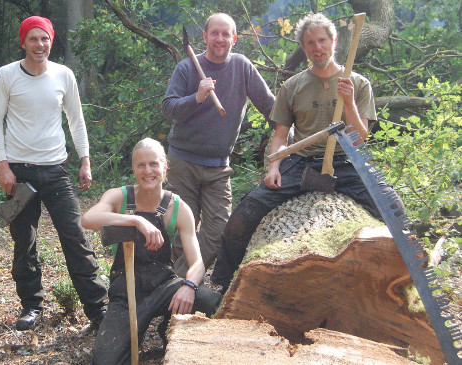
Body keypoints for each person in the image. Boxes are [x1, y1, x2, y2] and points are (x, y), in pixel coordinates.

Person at [210, 13, 405, 291]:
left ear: (334, 41)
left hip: (349, 162)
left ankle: (409, 281)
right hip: (301, 162)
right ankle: (224, 286)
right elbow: (279, 136)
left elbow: (360, 139)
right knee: (243, 214)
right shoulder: (292, 86)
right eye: (310, 42)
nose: (317, 48)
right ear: (303, 48)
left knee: (394, 208)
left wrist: (348, 102)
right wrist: (274, 167)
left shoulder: (358, 84)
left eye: (322, 40)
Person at [0, 15, 107, 330]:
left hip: (55, 170)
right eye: (33, 39)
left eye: (45, 39)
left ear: (51, 41)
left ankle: (98, 309)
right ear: (23, 42)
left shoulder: (63, 75)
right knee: (24, 242)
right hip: (19, 175)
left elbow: (76, 120)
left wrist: (85, 159)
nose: (40, 45)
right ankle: (31, 306)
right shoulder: (6, 76)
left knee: (75, 237)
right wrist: (2, 165)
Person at [82, 138, 221, 364]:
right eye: (141, 165)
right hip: (126, 291)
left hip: (163, 286)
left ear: (165, 166)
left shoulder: (178, 207)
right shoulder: (119, 196)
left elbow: (197, 264)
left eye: (154, 164)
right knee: (106, 361)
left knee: (209, 301)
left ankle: (170, 328)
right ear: (134, 168)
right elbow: (88, 219)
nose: (148, 171)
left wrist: (190, 286)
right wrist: (135, 220)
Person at [162, 13, 275, 277]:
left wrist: (291, 136)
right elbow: (168, 108)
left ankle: (171, 287)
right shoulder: (188, 68)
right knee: (181, 234)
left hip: (218, 168)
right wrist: (197, 97)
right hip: (183, 163)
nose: (220, 39)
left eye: (226, 34)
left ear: (234, 39)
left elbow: (271, 107)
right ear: (205, 36)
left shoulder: (242, 67)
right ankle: (181, 296)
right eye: (215, 33)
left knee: (216, 233)